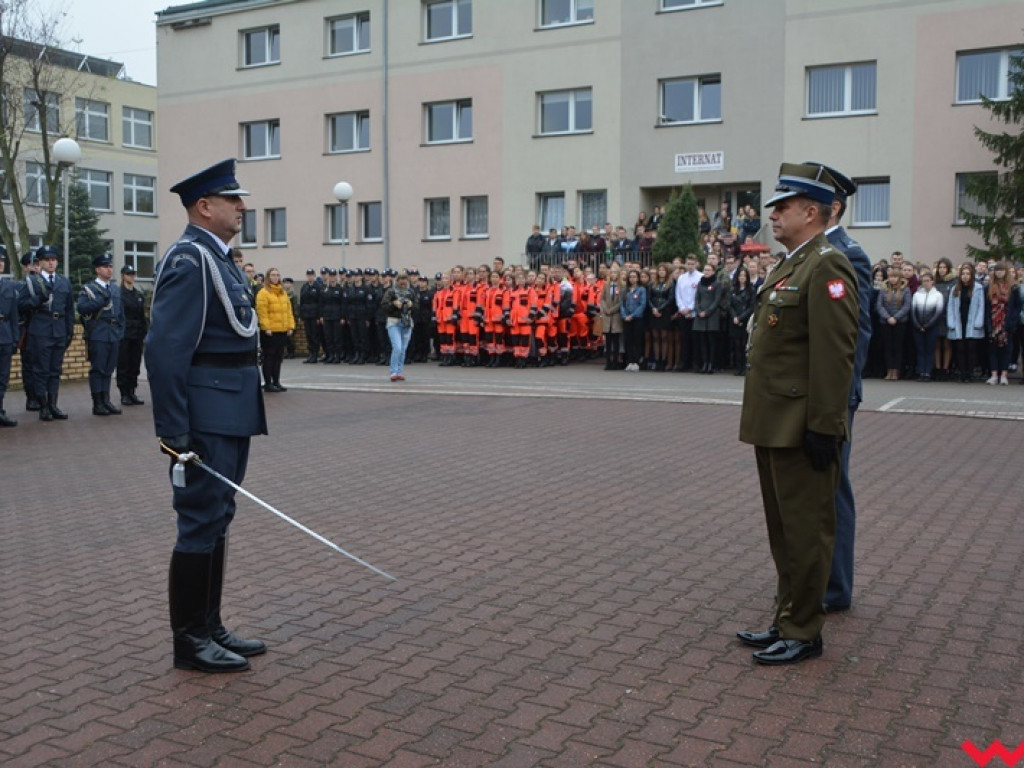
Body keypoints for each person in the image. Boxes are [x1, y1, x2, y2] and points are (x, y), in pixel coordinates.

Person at [145, 158, 268, 673]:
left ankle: (210, 624)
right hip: (205, 412)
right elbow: (166, 350)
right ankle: (189, 640)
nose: (241, 207)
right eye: (232, 199)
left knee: (219, 517)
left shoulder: (217, 258)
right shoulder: (189, 260)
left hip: (232, 407)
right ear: (204, 206)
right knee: (199, 521)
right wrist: (174, 432)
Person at [736, 163, 858, 666]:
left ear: (812, 212)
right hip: (774, 419)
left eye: (783, 207)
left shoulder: (827, 264)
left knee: (807, 529)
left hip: (802, 423)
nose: (774, 215)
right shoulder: (792, 262)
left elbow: (834, 355)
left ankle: (805, 631)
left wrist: (825, 426)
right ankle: (787, 616)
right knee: (784, 529)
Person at [805, 162, 872, 615]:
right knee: (809, 490)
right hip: (803, 391)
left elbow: (857, 334)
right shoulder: (810, 252)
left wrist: (840, 398)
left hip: (832, 395)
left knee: (832, 488)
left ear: (832, 207)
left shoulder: (849, 255)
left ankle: (834, 588)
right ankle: (810, 581)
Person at [18, 245, 75, 422]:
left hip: (59, 329)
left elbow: (69, 309)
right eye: (47, 260)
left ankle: (53, 404)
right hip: (40, 329)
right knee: (41, 370)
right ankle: (43, 405)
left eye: (53, 260)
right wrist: (37, 299)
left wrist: (69, 331)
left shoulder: (63, 281)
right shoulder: (32, 282)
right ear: (40, 262)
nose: (51, 263)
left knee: (55, 370)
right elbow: (21, 306)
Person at [77, 253, 126, 416]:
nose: (109, 269)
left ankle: (106, 399)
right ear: (97, 269)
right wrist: (100, 301)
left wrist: (120, 331)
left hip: (113, 333)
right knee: (98, 369)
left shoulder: (115, 288)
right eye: (105, 267)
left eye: (110, 266)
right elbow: (82, 309)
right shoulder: (89, 289)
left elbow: (121, 313)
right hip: (98, 333)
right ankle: (97, 402)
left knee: (108, 369)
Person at [255, 267, 295, 392]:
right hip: (270, 331)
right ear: (268, 277)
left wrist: (290, 326)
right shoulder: (263, 293)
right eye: (273, 275)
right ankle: (268, 383)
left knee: (278, 357)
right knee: (269, 357)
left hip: (282, 330)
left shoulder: (283, 293)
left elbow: (289, 311)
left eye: (277, 275)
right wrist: (266, 327)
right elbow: (262, 312)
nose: (275, 277)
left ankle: (276, 381)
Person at [983, 262, 1020, 386]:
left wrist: (1012, 321)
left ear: (1006, 272)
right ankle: (994, 375)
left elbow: (1017, 307)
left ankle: (1004, 375)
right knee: (992, 349)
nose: (999, 272)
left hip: (1006, 321)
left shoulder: (1013, 288)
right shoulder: (989, 287)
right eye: (997, 270)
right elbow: (987, 306)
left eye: (1001, 270)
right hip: (993, 320)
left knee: (1006, 349)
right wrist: (987, 322)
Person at [947, 262, 985, 382]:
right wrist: (951, 322)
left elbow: (981, 306)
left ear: (972, 275)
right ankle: (963, 373)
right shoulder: (955, 288)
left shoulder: (978, 288)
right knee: (960, 348)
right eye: (963, 273)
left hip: (972, 322)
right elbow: (950, 307)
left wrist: (978, 322)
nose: (965, 276)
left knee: (971, 348)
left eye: (968, 274)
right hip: (959, 322)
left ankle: (969, 373)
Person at [117, 265, 148, 406]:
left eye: (133, 274)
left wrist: (144, 332)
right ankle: (124, 393)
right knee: (124, 364)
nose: (131, 277)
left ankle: (132, 391)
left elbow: (142, 316)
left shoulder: (138, 295)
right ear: (123, 276)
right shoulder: (119, 294)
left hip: (137, 334)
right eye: (129, 274)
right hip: (124, 333)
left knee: (135, 364)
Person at [876, 266, 911, 381]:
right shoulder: (883, 289)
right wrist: (887, 317)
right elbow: (879, 305)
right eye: (891, 277)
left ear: (899, 278)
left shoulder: (905, 289)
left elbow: (906, 306)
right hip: (885, 322)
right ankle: (889, 370)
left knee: (898, 347)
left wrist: (896, 317)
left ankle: (896, 371)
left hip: (900, 322)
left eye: (895, 277)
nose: (893, 279)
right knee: (888, 347)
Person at [381, 270, 416, 381]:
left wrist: (412, 305)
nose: (402, 282)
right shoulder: (391, 292)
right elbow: (384, 306)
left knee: (403, 349)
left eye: (404, 280)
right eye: (400, 280)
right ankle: (393, 371)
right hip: (394, 322)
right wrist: (393, 304)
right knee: (397, 347)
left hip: (406, 322)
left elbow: (417, 307)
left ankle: (399, 371)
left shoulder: (411, 292)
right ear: (397, 281)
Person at [910, 271, 945, 381]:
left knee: (929, 350)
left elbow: (938, 312)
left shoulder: (938, 295)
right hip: (917, 327)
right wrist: (917, 325)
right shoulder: (917, 294)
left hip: (932, 327)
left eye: (928, 281)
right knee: (920, 350)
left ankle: (928, 373)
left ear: (932, 282)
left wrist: (927, 325)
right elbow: (913, 311)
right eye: (923, 281)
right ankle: (921, 372)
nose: (925, 283)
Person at [17, 251, 41, 412]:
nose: (36, 268)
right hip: (28, 328)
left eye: (38, 265)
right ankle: (31, 397)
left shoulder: (46, 283)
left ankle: (43, 397)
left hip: (45, 330)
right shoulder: (22, 285)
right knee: (29, 365)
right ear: (26, 267)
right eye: (33, 265)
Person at [692, 261, 723, 374]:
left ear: (713, 271)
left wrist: (708, 311)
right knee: (702, 341)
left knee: (711, 341)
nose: (706, 272)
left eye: (709, 270)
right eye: (705, 270)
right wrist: (698, 310)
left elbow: (717, 299)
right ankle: (704, 362)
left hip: (712, 315)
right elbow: (697, 299)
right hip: (700, 315)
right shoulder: (700, 283)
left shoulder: (717, 283)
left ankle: (711, 363)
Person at [0, 246, 18, 427]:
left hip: (4, 336)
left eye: (2, 261)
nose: (0, 264)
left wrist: (15, 338)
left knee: (2, 377)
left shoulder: (8, 286)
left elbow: (14, 315)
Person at [727, 266, 755, 375]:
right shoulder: (733, 289)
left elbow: (751, 307)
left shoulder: (751, 290)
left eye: (744, 275)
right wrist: (734, 317)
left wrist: (740, 318)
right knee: (736, 345)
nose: (742, 278)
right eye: (740, 275)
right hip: (734, 320)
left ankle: (745, 366)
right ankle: (738, 367)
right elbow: (729, 305)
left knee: (744, 344)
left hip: (745, 321)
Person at [932, 258, 956, 380]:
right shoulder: (934, 282)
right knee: (936, 344)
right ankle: (937, 368)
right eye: (940, 267)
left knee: (947, 343)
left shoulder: (953, 282)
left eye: (944, 267)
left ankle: (945, 369)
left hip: (948, 316)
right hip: (936, 316)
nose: (942, 270)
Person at [620, 269, 646, 371]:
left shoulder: (641, 290)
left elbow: (642, 304)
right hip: (626, 318)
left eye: (634, 277)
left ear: (638, 278)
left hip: (637, 319)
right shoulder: (625, 290)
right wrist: (624, 315)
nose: (632, 279)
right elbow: (621, 304)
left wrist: (633, 315)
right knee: (628, 340)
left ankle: (636, 361)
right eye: (630, 277)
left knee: (637, 340)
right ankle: (630, 361)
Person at [299, 268, 323, 363]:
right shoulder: (304, 287)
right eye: (308, 275)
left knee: (314, 335)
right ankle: (311, 354)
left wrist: (318, 316)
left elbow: (320, 303)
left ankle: (315, 355)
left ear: (314, 276)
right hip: (306, 314)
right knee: (308, 335)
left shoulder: (318, 287)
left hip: (314, 315)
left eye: (311, 275)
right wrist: (301, 315)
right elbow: (302, 302)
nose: (310, 277)